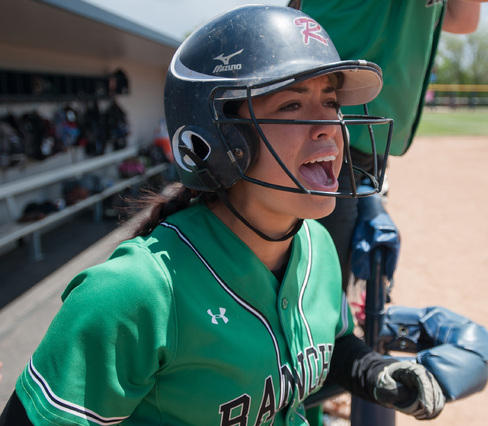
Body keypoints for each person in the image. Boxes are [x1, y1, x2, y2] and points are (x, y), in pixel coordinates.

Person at [0, 6, 445, 425]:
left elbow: (330, 341)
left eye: (330, 102)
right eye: (292, 105)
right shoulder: (134, 292)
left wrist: (371, 370)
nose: (329, 124)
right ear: (219, 137)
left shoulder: (316, 245)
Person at [294, 0, 488, 290]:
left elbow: (462, 19)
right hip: (323, 114)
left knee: (338, 273)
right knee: (319, 278)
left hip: (367, 128)